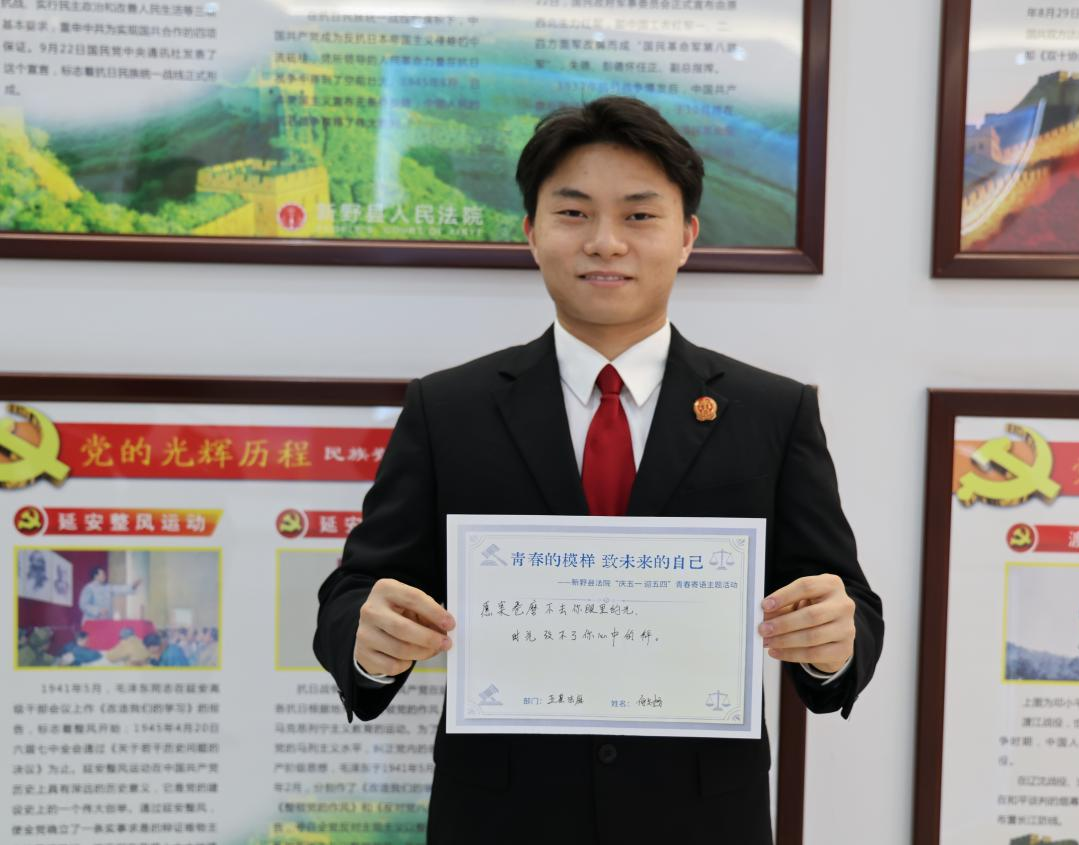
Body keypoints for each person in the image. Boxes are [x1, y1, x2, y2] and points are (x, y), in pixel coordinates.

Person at [313, 96, 883, 845]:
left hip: (702, 820)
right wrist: (368, 639)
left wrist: (835, 641)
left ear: (687, 235)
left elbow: (851, 606)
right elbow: (353, 590)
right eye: (574, 213)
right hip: (501, 820)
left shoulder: (772, 412)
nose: (606, 242)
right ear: (531, 231)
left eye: (639, 215)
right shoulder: (447, 409)